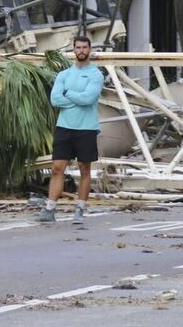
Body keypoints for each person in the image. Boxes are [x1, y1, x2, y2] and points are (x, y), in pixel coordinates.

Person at [38, 35, 103, 225]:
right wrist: (76, 97)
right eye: (78, 48)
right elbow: (55, 100)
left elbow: (88, 99)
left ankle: (80, 209)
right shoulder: (64, 75)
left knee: (84, 169)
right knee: (57, 168)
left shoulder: (95, 74)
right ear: (73, 50)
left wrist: (69, 93)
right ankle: (50, 209)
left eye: (84, 48)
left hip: (86, 128)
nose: (81, 51)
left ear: (89, 50)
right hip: (64, 127)